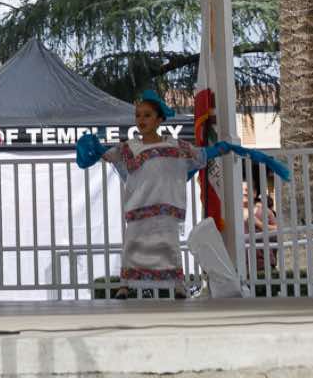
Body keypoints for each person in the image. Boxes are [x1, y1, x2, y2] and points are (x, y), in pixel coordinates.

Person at [76, 90, 289, 299]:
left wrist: (219, 149)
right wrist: (93, 147)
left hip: (166, 206)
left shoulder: (174, 145)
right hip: (139, 207)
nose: (141, 120)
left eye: (147, 115)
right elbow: (107, 155)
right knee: (133, 243)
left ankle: (177, 285)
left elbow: (200, 154)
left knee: (169, 245)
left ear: (159, 119)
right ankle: (126, 285)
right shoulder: (128, 148)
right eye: (138, 115)